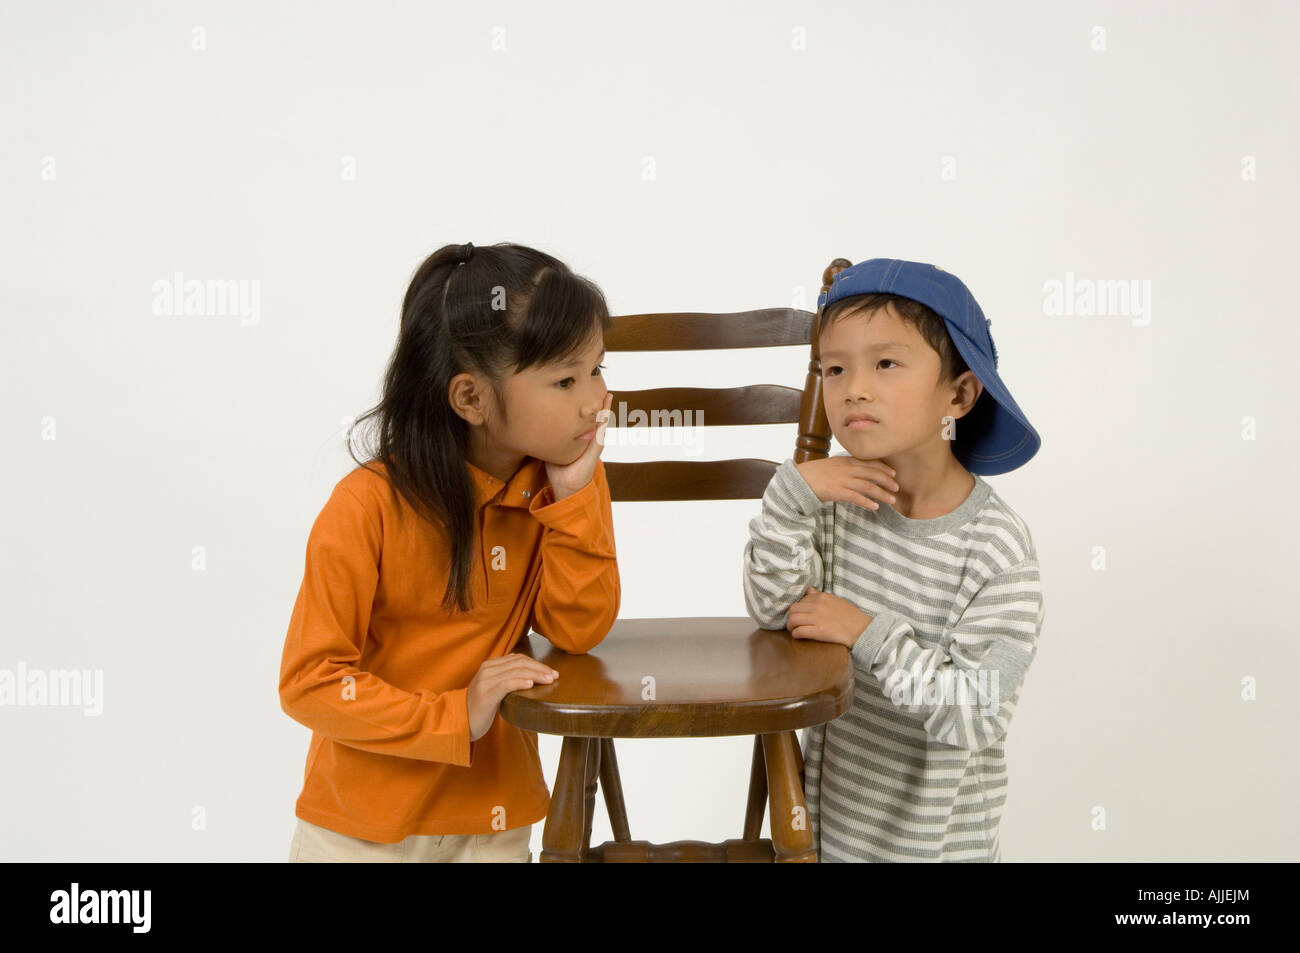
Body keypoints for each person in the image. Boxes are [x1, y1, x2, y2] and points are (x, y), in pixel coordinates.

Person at [280, 242, 619, 862]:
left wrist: (573, 501)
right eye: (566, 379)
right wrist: (455, 714)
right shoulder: (365, 507)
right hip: (361, 831)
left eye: (598, 369)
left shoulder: (562, 481)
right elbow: (310, 682)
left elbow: (577, 630)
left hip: (491, 816)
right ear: (471, 400)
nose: (597, 399)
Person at [742, 258, 1045, 862]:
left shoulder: (995, 548)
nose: (854, 387)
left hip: (934, 846)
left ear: (957, 394)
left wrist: (864, 632)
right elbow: (777, 612)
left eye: (886, 363)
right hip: (829, 833)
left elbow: (975, 711)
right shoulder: (832, 505)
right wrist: (790, 494)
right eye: (834, 368)